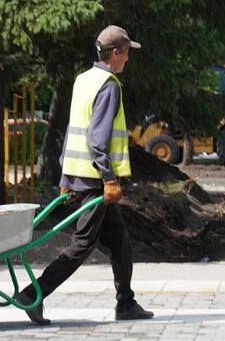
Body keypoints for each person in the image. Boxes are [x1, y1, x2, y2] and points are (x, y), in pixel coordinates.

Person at [16, 25, 155, 325]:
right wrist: (109, 179)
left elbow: (72, 130)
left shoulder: (84, 80)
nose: (128, 59)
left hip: (80, 175)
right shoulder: (109, 85)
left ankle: (126, 304)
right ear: (115, 54)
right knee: (82, 244)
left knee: (119, 240)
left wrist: (66, 179)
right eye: (127, 53)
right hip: (95, 180)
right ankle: (33, 293)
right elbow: (95, 139)